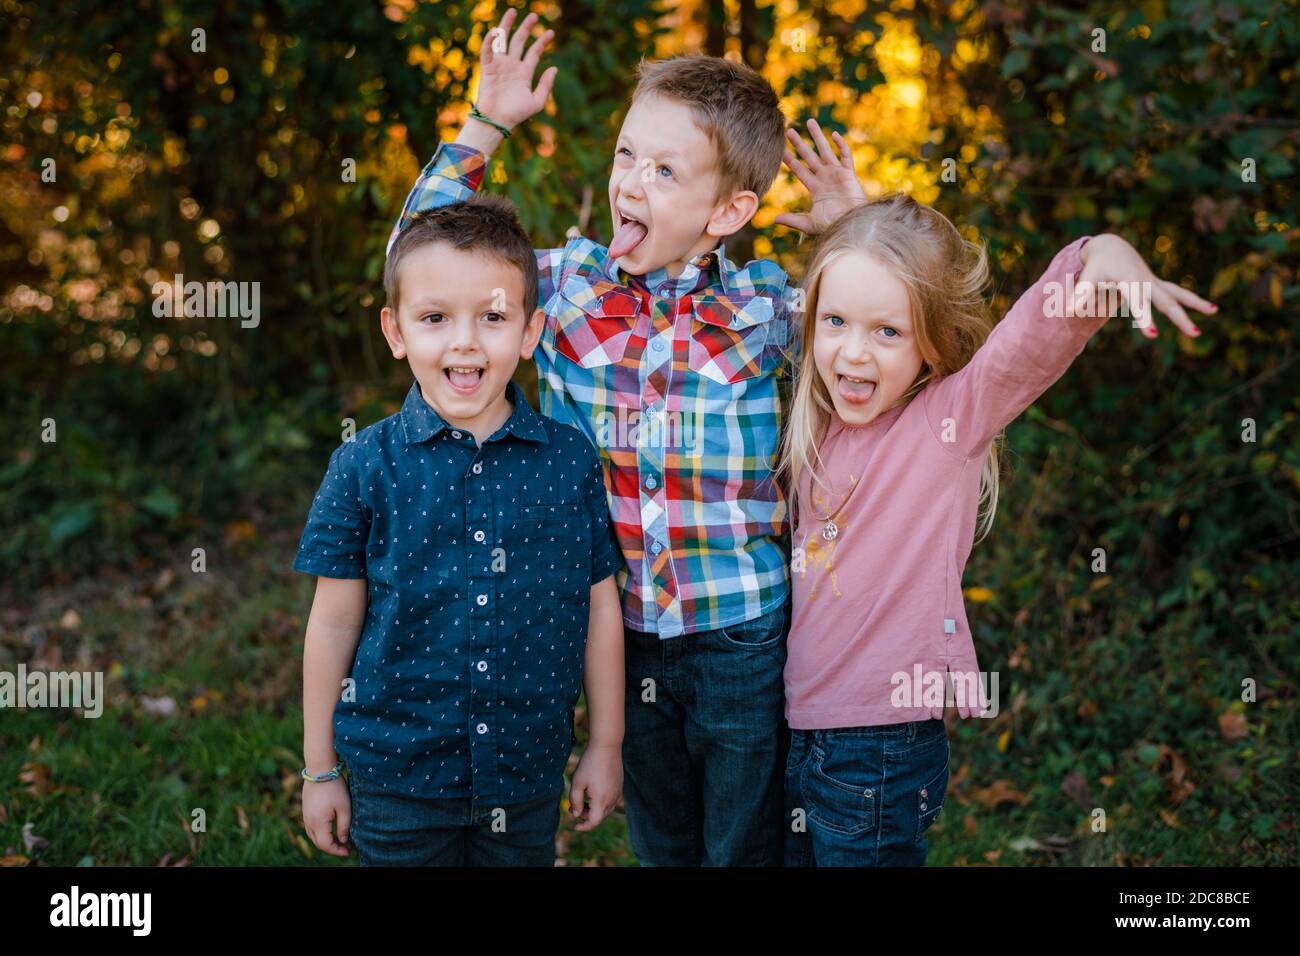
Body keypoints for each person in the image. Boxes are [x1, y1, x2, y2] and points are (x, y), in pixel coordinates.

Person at [778, 196, 1215, 865]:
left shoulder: (948, 420)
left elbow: (1030, 343)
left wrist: (1102, 256)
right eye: (834, 321)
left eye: (888, 333)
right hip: (805, 730)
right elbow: (876, 274)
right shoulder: (819, 420)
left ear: (931, 342)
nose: (854, 351)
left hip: (880, 747)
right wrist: (855, 221)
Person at [295, 194, 626, 866]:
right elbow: (333, 622)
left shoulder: (568, 460)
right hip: (397, 778)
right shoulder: (365, 465)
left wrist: (606, 744)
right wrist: (319, 768)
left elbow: (599, 607)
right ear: (396, 332)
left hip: (526, 776)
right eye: (435, 318)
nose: (465, 341)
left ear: (531, 332)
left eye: (493, 317)